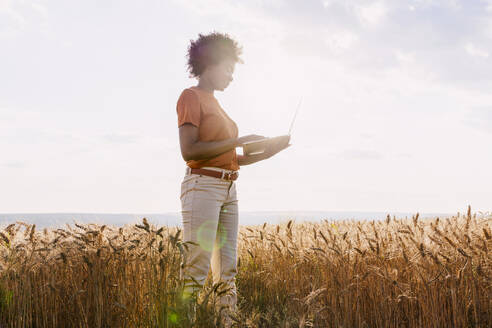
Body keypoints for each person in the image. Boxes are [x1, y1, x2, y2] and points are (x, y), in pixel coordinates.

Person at [176, 32, 290, 326]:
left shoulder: (218, 105)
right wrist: (238, 140)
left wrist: (268, 152)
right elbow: (189, 151)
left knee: (227, 270)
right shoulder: (191, 97)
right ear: (209, 63)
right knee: (196, 270)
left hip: (228, 188)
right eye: (227, 68)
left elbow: (229, 159)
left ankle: (228, 323)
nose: (231, 76)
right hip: (203, 187)